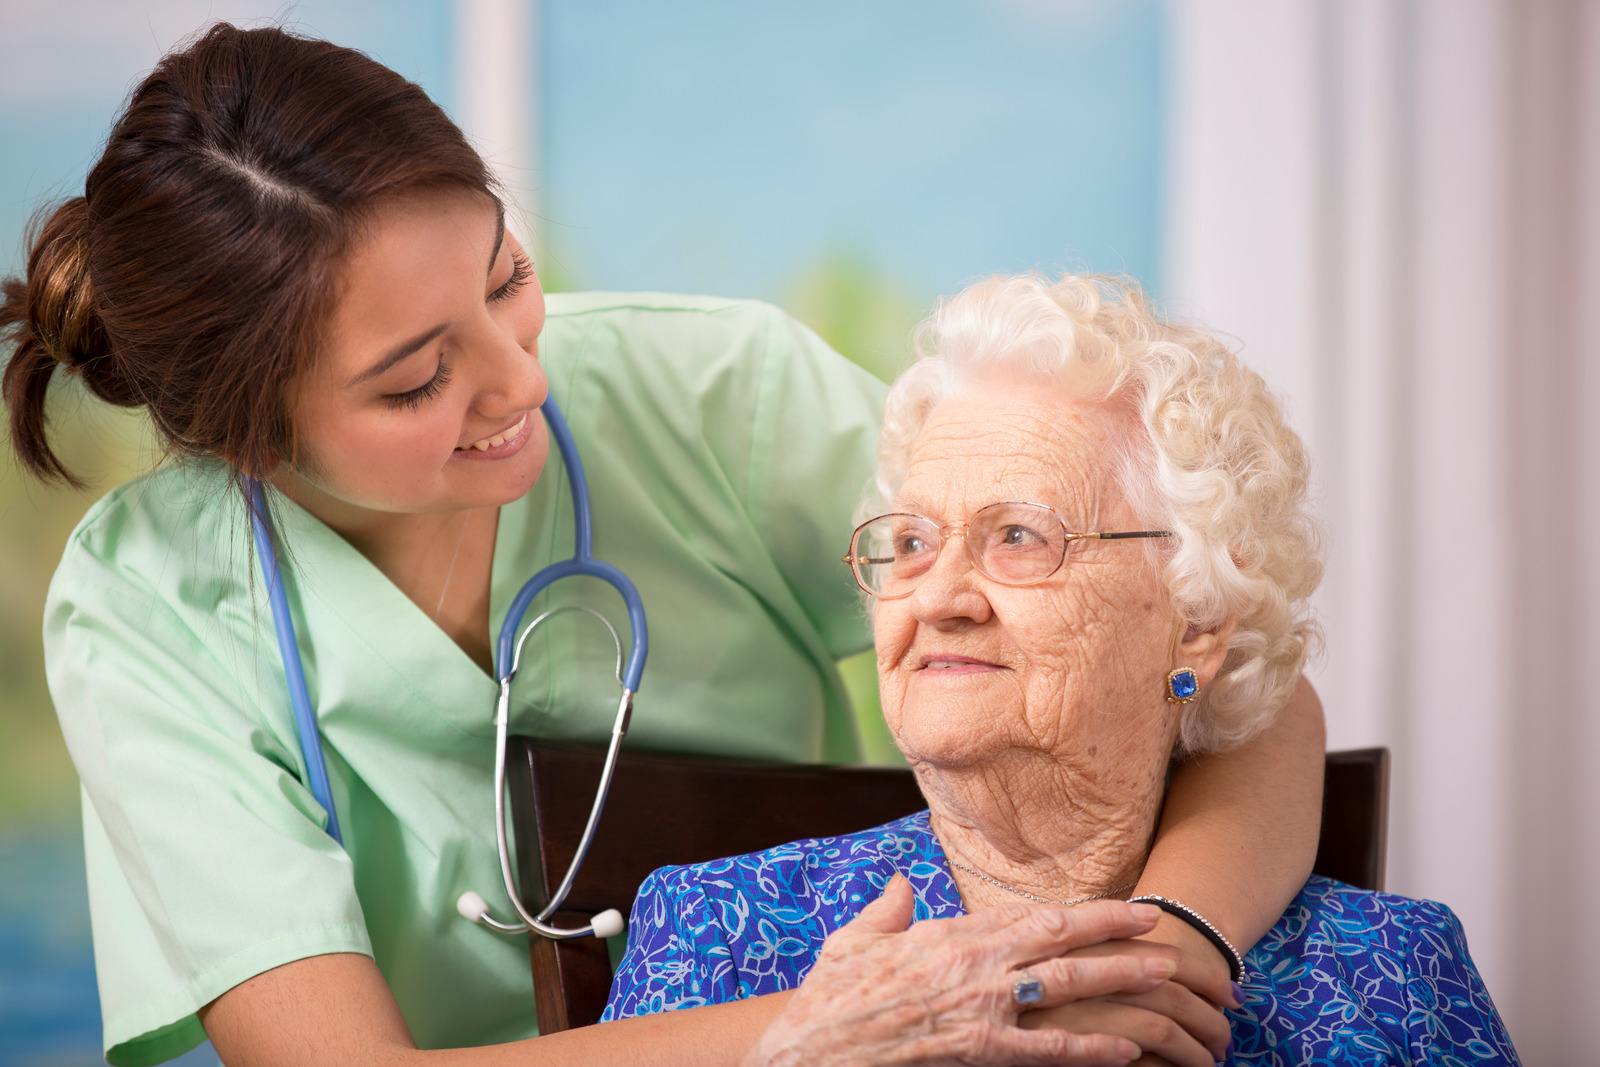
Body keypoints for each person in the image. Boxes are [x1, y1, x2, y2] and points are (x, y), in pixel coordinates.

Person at [2, 23, 1325, 1067]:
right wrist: (829, 1029)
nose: (520, 381)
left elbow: (1217, 667)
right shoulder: (146, 606)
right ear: (248, 439)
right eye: (415, 383)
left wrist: (1153, 953)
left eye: (504, 277)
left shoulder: (710, 391)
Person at [605, 273, 1522, 1066]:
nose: (939, 597)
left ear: (1197, 620)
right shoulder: (714, 930)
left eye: (1018, 536)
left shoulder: (1393, 975)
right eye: (912, 541)